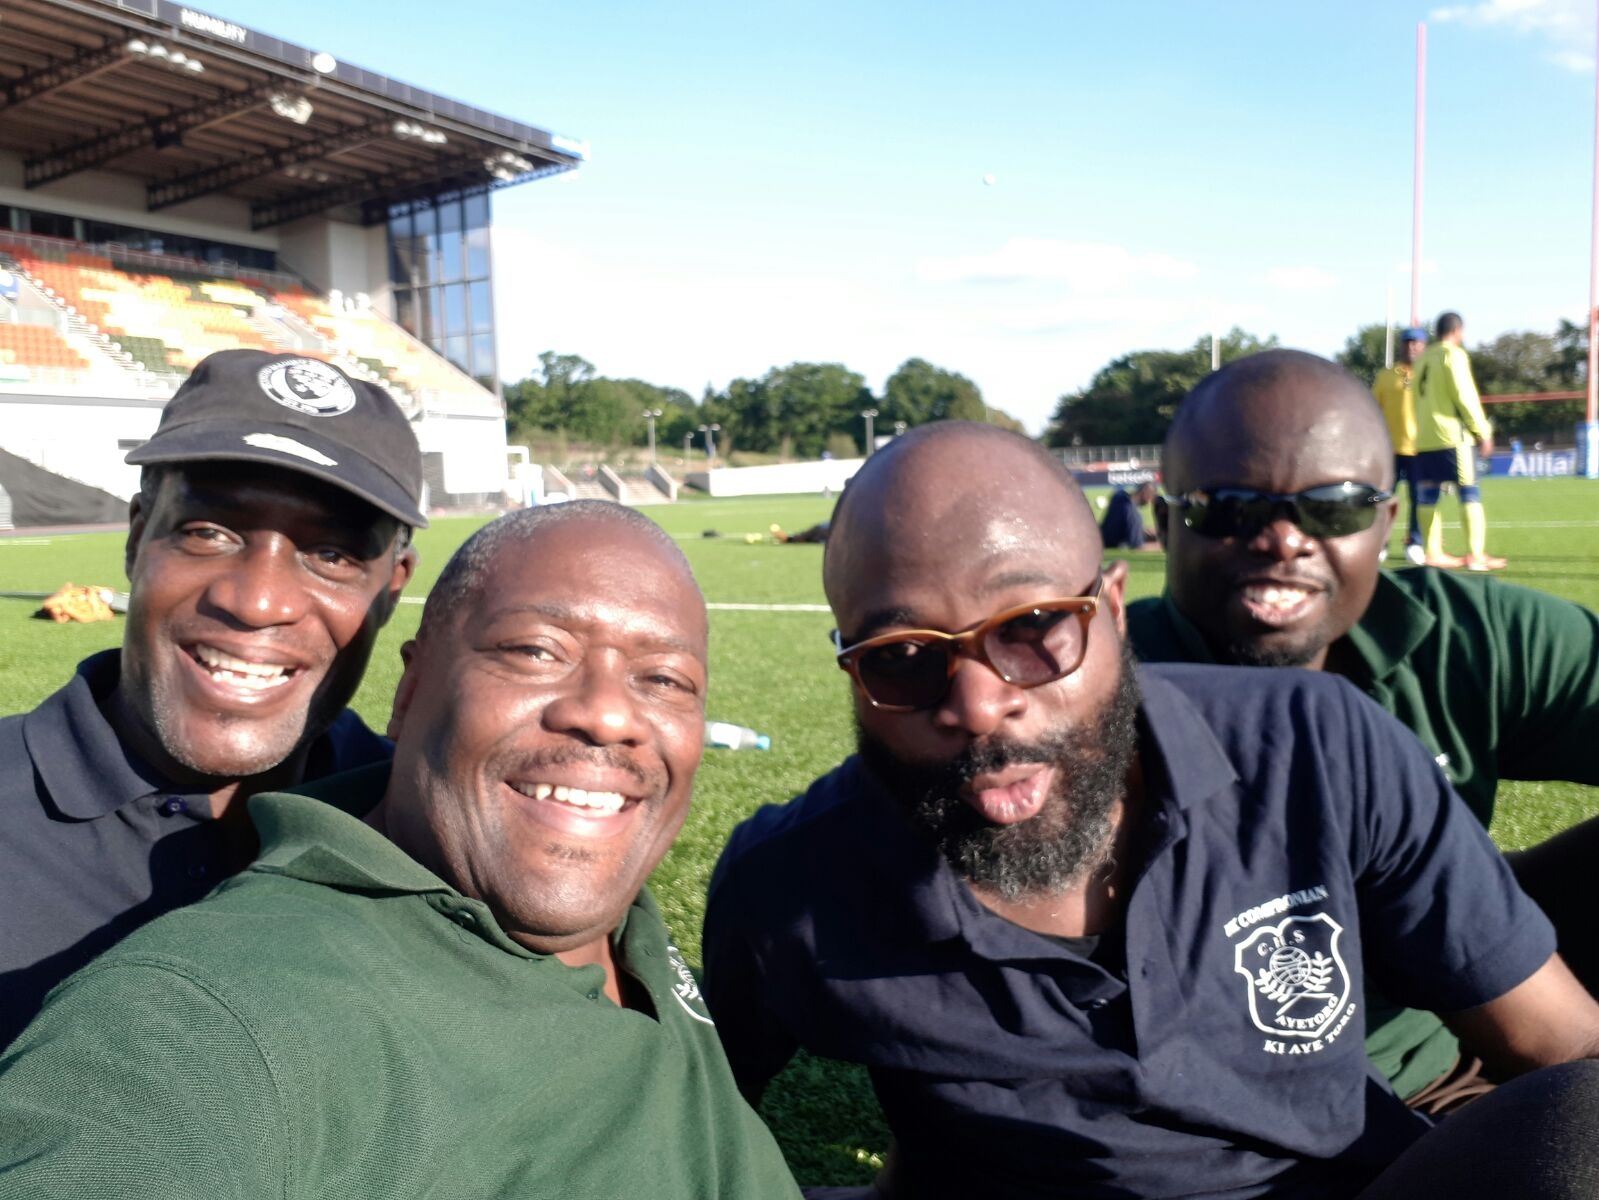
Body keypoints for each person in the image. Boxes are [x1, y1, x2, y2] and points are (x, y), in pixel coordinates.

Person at [703, 421, 1599, 1200]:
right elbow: (687, 1136)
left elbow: (1560, 1052)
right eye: (900, 656)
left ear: (1112, 609)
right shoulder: (790, 885)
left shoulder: (1314, 745)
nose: (977, 705)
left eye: (1032, 626)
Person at [0, 502, 802, 1199]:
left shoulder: (608, 903)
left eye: (664, 680)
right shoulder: (198, 1026)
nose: (608, 715)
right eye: (535, 650)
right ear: (409, 688)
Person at [1129, 348, 1599, 1110]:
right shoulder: (1090, 693)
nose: (1283, 539)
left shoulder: (1473, 636)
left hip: (1444, 1067)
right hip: (1205, 1122)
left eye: (1334, 506)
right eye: (1231, 507)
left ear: (1384, 520)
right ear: (1164, 521)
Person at [0, 349, 422, 1048]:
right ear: (138, 537)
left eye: (333, 554)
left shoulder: (417, 818)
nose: (258, 602)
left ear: (391, 588)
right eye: (208, 533)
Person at [1413, 311, 1504, 570]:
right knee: (1469, 491)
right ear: (1457, 331)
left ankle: (1433, 553)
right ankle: (1475, 555)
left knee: (1428, 495)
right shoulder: (1453, 355)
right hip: (1452, 436)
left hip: (1425, 437)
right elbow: (1464, 395)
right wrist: (1482, 431)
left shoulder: (1422, 359)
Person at [1371, 327, 1427, 563]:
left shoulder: (1429, 375)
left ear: (1424, 346)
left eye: (1416, 343)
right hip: (1390, 449)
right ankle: (1380, 543)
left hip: (1421, 449)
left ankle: (1415, 542)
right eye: (1407, 343)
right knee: (1382, 500)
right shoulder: (1386, 376)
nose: (1411, 347)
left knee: (1420, 500)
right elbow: (1373, 410)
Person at [1099, 479, 1159, 550]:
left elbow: (1121, 526)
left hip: (1100, 540)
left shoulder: (1119, 496)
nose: (1151, 501)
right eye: (1152, 496)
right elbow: (1137, 546)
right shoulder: (1134, 515)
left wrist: (1141, 531)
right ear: (1145, 493)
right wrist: (1161, 545)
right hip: (1114, 548)